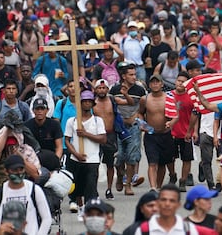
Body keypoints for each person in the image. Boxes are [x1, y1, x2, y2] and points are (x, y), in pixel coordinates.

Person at [65, 90, 107, 221]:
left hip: (92, 159)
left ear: (93, 104)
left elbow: (103, 139)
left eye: (89, 102)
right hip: (76, 159)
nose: (87, 104)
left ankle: (90, 209)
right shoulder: (72, 121)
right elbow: (67, 140)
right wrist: (76, 154)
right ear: (80, 104)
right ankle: (81, 207)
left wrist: (86, 134)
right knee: (77, 186)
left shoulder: (97, 121)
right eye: (84, 102)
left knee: (90, 186)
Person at [0, 154, 51, 235]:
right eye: (14, 170)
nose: (18, 173)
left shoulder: (34, 190)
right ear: (6, 171)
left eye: (21, 169)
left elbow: (47, 218)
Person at [109, 62, 146, 196]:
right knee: (118, 157)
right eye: (130, 75)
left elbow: (142, 108)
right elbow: (111, 106)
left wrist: (140, 120)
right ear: (123, 76)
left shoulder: (140, 90)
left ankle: (128, 184)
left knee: (131, 157)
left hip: (133, 127)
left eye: (135, 74)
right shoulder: (114, 90)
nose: (134, 77)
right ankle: (120, 175)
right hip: (119, 127)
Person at [139, 74, 176, 191]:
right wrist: (141, 123)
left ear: (162, 84)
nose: (155, 84)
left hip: (166, 134)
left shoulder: (169, 98)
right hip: (151, 135)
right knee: (152, 162)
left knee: (162, 163)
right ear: (149, 85)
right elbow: (140, 113)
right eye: (152, 82)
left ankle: (159, 186)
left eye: (157, 82)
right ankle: (153, 187)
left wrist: (171, 123)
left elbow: (176, 115)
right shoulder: (145, 99)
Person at [165, 71, 195, 192]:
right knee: (169, 158)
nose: (180, 83)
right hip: (171, 132)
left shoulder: (191, 97)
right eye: (179, 81)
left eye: (183, 82)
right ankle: (172, 175)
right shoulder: (169, 96)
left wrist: (192, 131)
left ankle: (183, 180)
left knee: (186, 158)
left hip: (186, 133)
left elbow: (195, 115)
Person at [134, 184, 199, 235]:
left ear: (178, 205)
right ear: (158, 202)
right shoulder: (143, 230)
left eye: (172, 201)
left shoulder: (189, 230)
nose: (167, 204)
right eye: (163, 200)